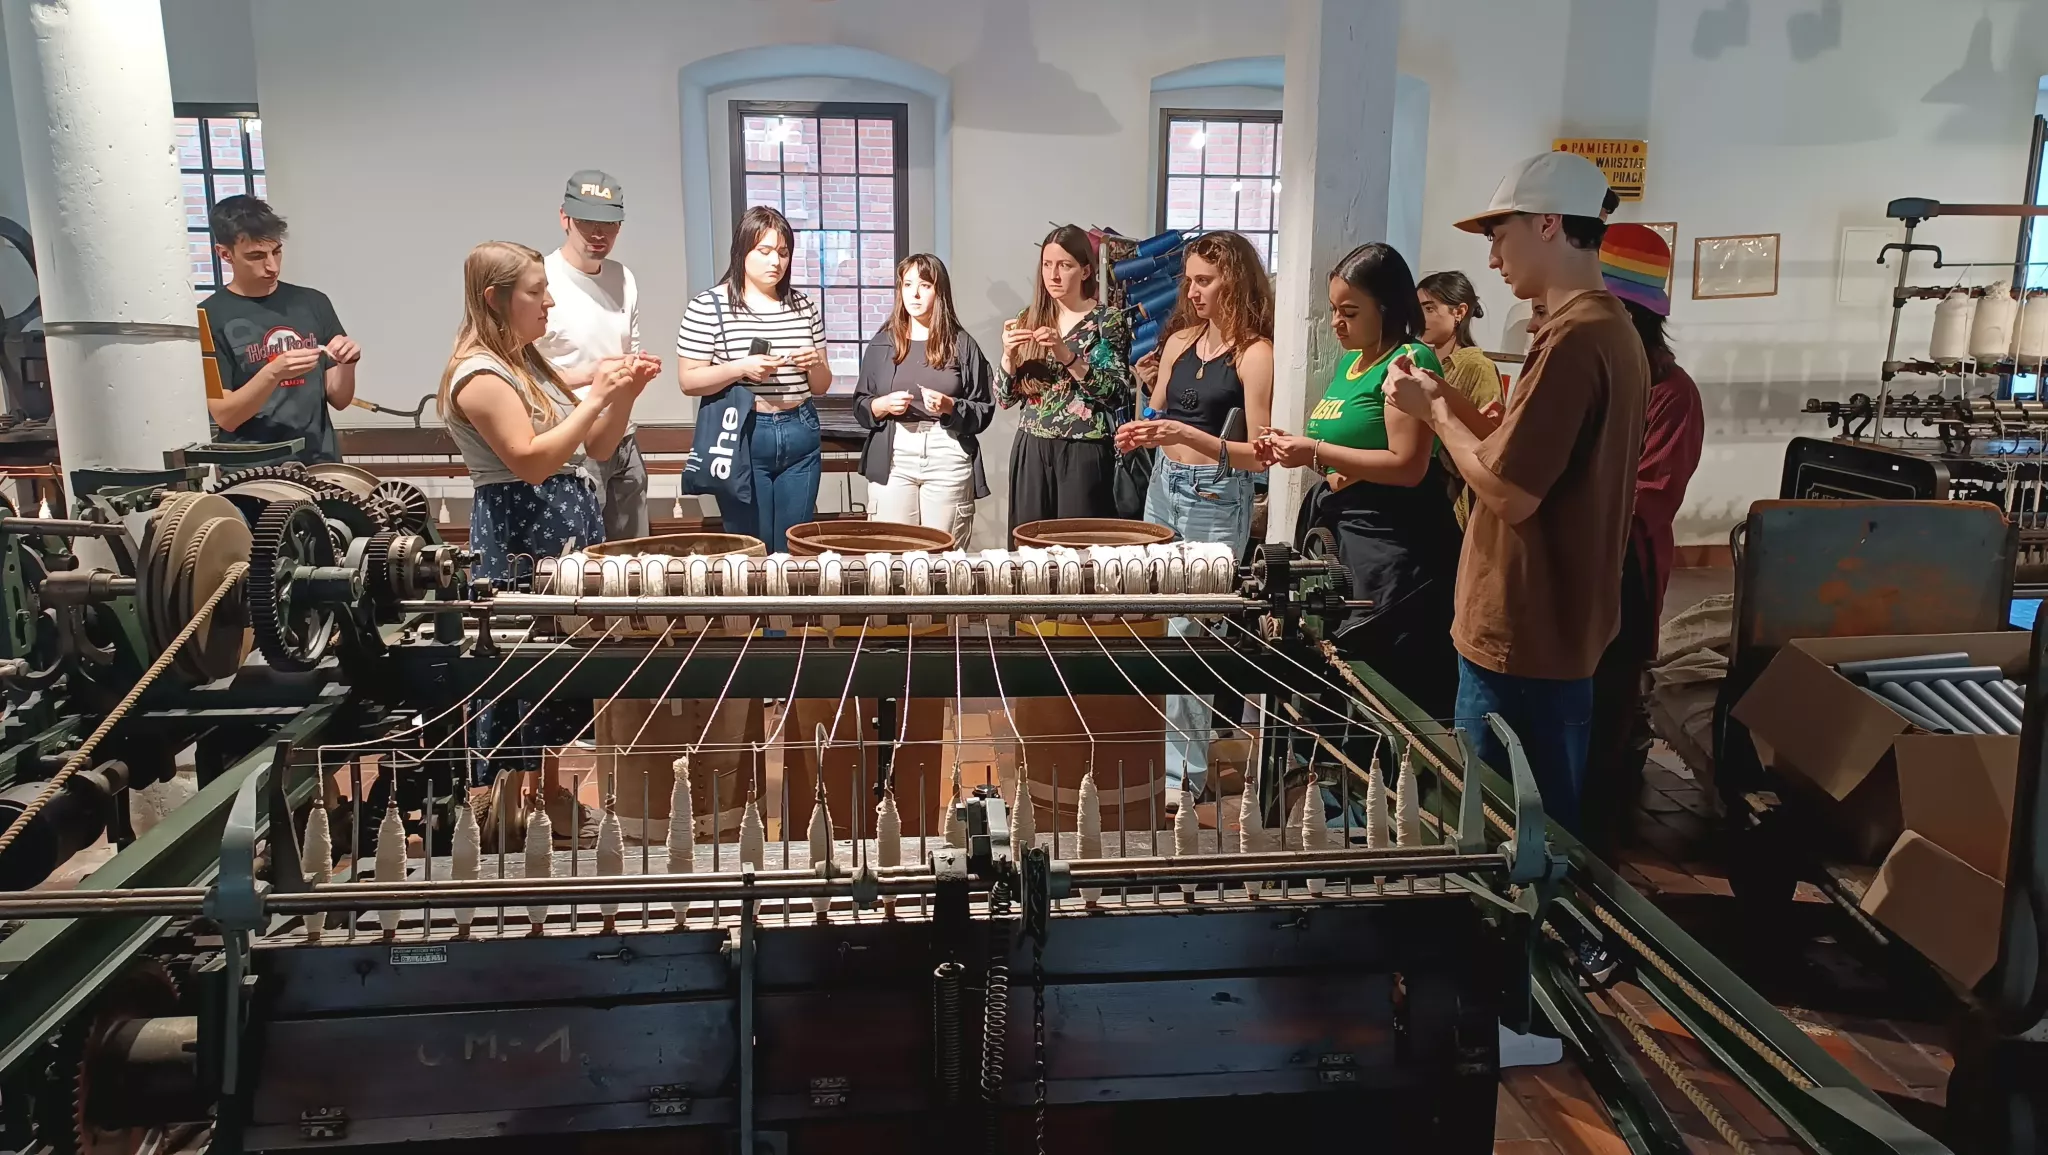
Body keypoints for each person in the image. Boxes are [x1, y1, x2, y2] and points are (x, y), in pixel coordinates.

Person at [1383, 150, 1649, 841]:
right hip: (1552, 625)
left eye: (1501, 235)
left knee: (1511, 833)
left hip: (1527, 631)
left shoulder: (1575, 340)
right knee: (1531, 824)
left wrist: (1432, 415)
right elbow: (1515, 455)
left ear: (1549, 224)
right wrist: (1444, 397)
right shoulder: (1606, 329)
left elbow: (1508, 491)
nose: (1494, 257)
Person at [438, 241, 655, 835]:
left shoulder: (527, 362)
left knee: (558, 670)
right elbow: (532, 462)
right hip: (521, 534)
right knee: (519, 669)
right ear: (495, 298)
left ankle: (550, 795)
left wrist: (624, 394)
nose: (549, 302)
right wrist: (598, 396)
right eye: (536, 292)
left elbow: (597, 446)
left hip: (559, 530)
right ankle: (505, 808)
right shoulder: (479, 375)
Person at [1254, 243, 1461, 720]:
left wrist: (1315, 451)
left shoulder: (1408, 361)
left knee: (1385, 678)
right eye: (1333, 310)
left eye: (1349, 312)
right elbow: (1349, 455)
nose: (1336, 323)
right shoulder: (1352, 363)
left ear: (1387, 308)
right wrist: (1303, 452)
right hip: (1344, 532)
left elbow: (1408, 465)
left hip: (1393, 542)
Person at [1117, 231, 1274, 795]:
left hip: (1216, 494)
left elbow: (1260, 454)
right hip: (1165, 485)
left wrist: (1187, 435)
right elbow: (1158, 410)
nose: (1192, 290)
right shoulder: (1181, 341)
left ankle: (1184, 776)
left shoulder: (1255, 354)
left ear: (1235, 281)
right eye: (1189, 280)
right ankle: (1158, 757)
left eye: (1204, 280)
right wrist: (1142, 429)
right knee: (1156, 619)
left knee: (1191, 632)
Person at [1581, 224, 1705, 857]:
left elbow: (1648, 497)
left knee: (1607, 703)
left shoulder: (1671, 394)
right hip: (1570, 563)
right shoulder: (1588, 373)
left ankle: (1597, 848)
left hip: (1620, 567)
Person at [677, 206, 832, 550]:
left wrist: (813, 365)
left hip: (800, 427)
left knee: (794, 546)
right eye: (764, 251)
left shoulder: (804, 306)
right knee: (750, 548)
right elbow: (688, 380)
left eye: (783, 252)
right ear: (742, 251)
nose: (775, 261)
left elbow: (821, 386)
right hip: (743, 432)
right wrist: (741, 368)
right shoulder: (709, 306)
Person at [537, 169, 660, 543]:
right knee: (580, 559)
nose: (598, 233)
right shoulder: (540, 278)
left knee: (634, 559)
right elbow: (522, 377)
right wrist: (595, 374)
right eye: (587, 222)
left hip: (623, 436)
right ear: (564, 218)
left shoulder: (623, 277)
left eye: (608, 224)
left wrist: (634, 368)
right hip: (570, 443)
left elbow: (628, 351)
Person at [202, 196, 359, 464]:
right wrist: (273, 372)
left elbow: (339, 399)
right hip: (253, 471)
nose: (272, 266)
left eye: (276, 252)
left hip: (320, 462)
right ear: (225, 254)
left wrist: (348, 363)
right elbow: (226, 416)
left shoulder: (313, 303)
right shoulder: (209, 316)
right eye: (256, 256)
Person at [997, 225, 1134, 534]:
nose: (1054, 275)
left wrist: (1067, 355)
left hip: (1084, 450)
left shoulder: (1106, 320)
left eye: (1064, 265)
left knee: (1078, 545)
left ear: (1085, 270)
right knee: (1030, 545)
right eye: (1047, 265)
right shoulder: (1029, 317)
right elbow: (1005, 399)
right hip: (1032, 447)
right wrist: (1007, 356)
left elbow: (1116, 394)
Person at [854, 254, 996, 546]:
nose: (914, 294)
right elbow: (861, 404)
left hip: (947, 450)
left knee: (943, 553)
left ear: (939, 291)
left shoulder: (962, 344)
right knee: (892, 551)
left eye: (924, 285)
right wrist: (882, 405)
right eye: (907, 285)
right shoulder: (883, 343)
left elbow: (984, 408)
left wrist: (949, 407)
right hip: (895, 452)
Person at [1417, 271, 1503, 528]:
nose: (1421, 317)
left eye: (1430, 308)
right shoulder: (1420, 361)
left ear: (1459, 312)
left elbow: (1490, 440)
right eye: (1417, 309)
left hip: (1452, 498)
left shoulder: (1478, 367)